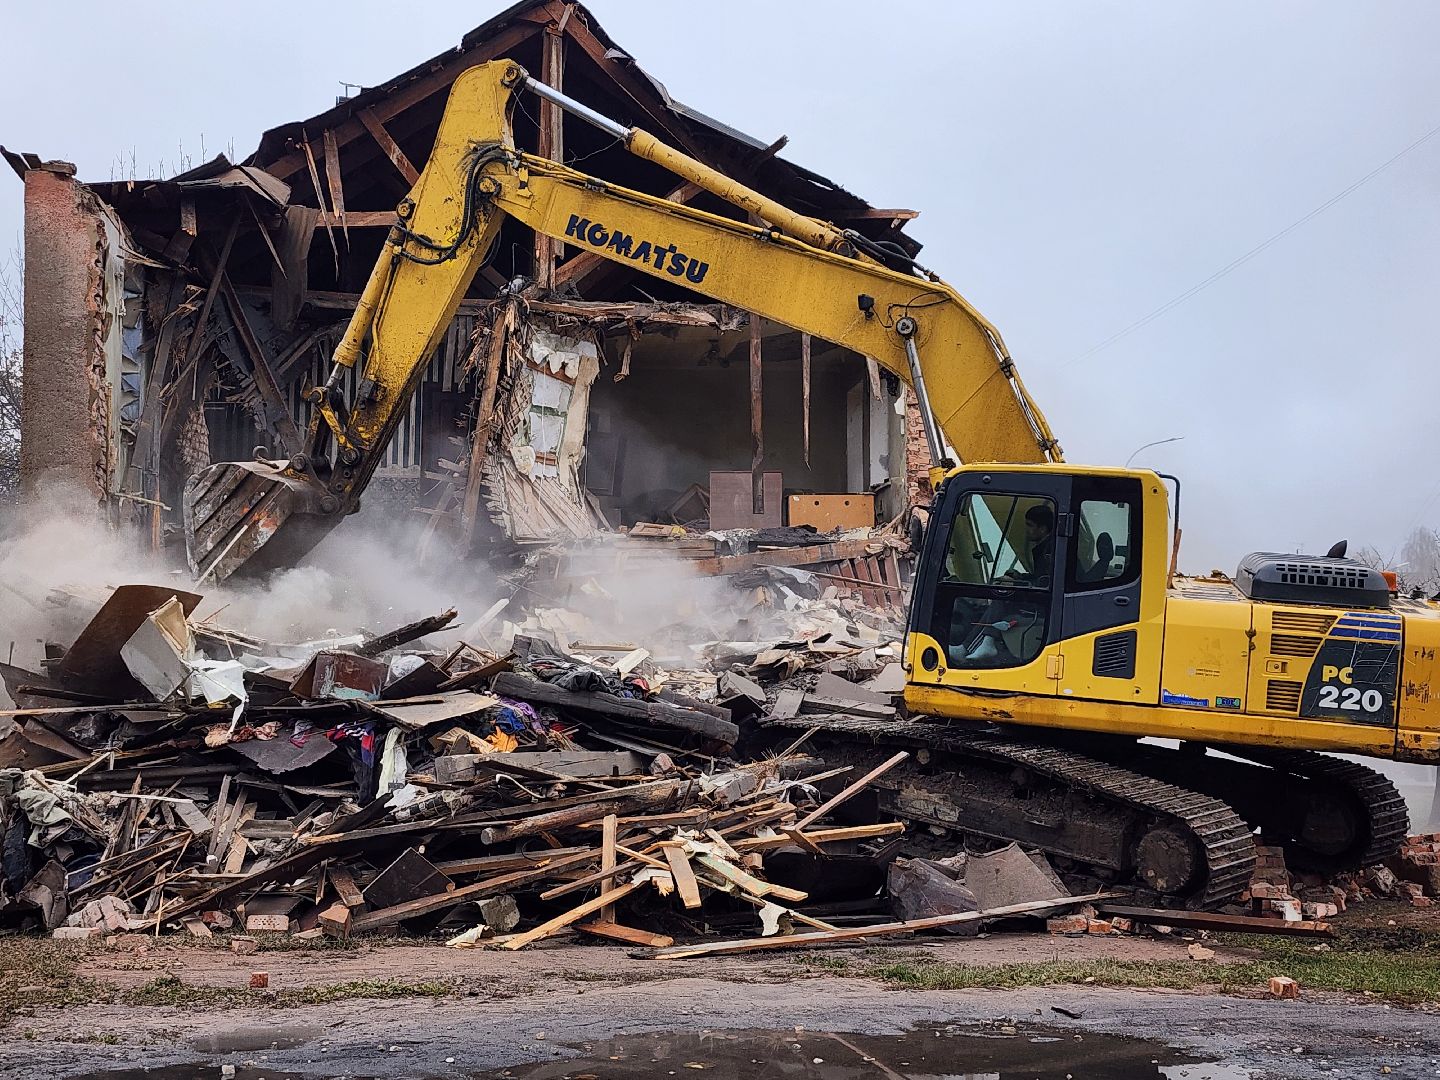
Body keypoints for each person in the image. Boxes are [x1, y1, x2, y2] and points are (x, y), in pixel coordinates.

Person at [964, 504, 1055, 662]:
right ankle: (971, 645)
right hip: (1040, 597)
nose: (1026, 530)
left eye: (1030, 525)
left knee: (1003, 597)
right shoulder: (1046, 546)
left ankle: (985, 643)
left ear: (1042, 529)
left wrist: (1016, 582)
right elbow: (1041, 577)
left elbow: (1046, 582)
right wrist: (1019, 577)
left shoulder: (1050, 550)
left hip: (1042, 604)